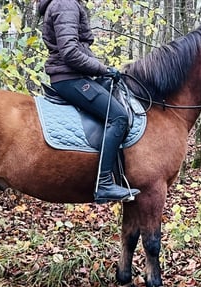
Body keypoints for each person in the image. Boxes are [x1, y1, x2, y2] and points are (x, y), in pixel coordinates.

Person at [37, 0, 140, 204]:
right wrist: (103, 69)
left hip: (73, 76)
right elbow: (70, 53)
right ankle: (103, 184)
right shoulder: (65, 4)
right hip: (70, 79)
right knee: (118, 117)